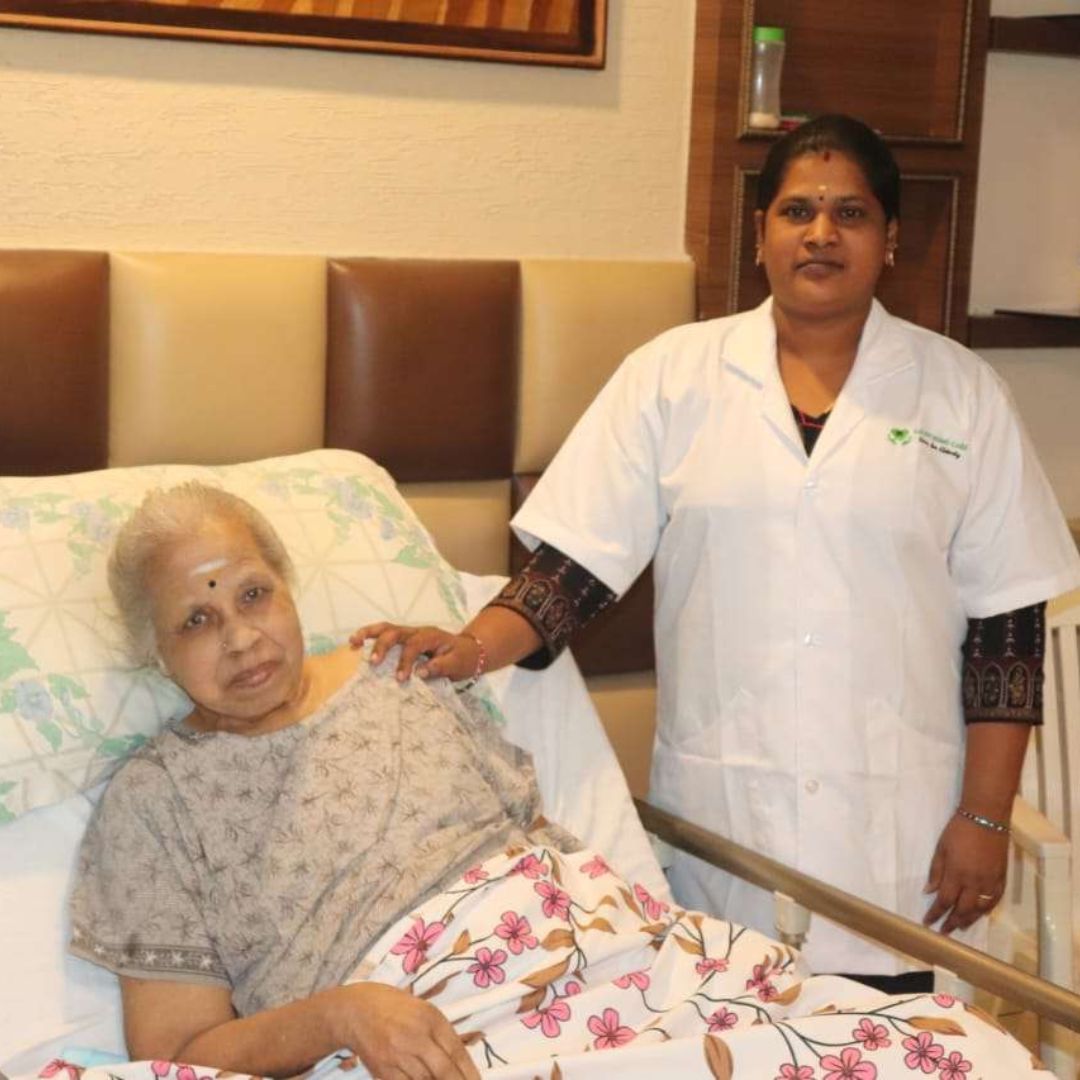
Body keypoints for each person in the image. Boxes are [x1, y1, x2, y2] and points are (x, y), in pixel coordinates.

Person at [355, 114, 1080, 987]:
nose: (821, 233)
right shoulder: (673, 374)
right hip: (727, 815)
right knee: (735, 1025)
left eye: (850, 213)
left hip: (904, 838)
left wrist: (987, 819)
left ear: (891, 239)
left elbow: (1007, 628)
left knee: (900, 1037)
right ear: (760, 233)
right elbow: (574, 570)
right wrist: (471, 649)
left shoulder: (963, 394)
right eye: (797, 210)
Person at [66, 482, 1051, 1080]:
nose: (240, 637)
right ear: (156, 654)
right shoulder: (154, 802)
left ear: (287, 583)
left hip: (622, 965)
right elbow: (179, 1050)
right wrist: (341, 1014)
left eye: (252, 594)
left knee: (957, 1052)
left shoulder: (405, 671)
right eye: (196, 622)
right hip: (422, 1024)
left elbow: (545, 852)